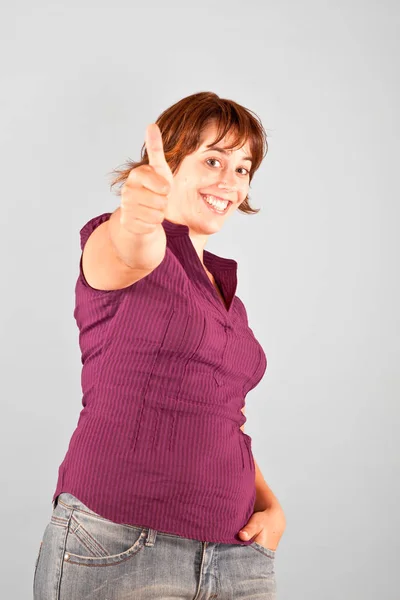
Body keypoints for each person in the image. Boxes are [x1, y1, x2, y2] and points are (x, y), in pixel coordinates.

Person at [33, 91, 286, 599]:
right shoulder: (122, 243)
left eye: (243, 168)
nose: (230, 182)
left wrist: (270, 505)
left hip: (236, 555)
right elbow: (131, 245)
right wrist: (138, 215)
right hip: (121, 546)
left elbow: (219, 413)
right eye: (213, 160)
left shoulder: (225, 296)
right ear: (167, 162)